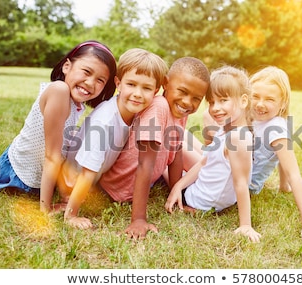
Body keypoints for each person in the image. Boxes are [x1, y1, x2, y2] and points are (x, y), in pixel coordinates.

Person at [0, 40, 117, 215]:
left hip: (44, 171)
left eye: (100, 80)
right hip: (20, 172)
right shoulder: (59, 91)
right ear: (67, 66)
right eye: (86, 72)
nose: (90, 82)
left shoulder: (75, 102)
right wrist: (46, 209)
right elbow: (52, 156)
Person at [98, 56, 210, 239]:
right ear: (166, 83)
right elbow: (145, 165)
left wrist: (177, 197)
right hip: (118, 190)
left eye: (196, 98)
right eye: (182, 91)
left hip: (144, 180)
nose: (188, 102)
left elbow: (175, 155)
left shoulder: (180, 110)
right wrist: (138, 219)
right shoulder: (159, 107)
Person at [57, 48, 168, 229]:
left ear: (156, 91)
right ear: (118, 83)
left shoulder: (131, 111)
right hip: (73, 184)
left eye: (146, 88)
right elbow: (87, 172)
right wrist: (71, 215)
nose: (138, 93)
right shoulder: (105, 122)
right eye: (131, 84)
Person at [165, 66, 261, 243]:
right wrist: (178, 186)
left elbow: (241, 183)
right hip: (204, 190)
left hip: (199, 201)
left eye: (223, 100)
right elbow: (204, 163)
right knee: (181, 135)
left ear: (244, 101)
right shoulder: (227, 129)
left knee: (166, 154)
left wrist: (245, 225)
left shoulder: (237, 137)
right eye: (211, 102)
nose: (215, 108)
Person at [249, 66, 302, 246]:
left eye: (269, 99)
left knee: (185, 144)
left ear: (283, 102)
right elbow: (279, 158)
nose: (260, 104)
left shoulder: (276, 129)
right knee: (185, 139)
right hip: (233, 171)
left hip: (243, 184)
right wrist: (283, 186)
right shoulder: (256, 118)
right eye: (255, 96)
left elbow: (294, 173)